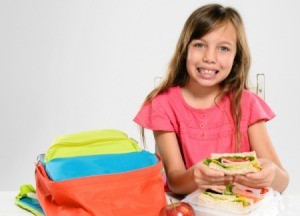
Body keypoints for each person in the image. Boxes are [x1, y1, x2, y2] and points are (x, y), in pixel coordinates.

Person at [133, 4, 289, 195]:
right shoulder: (163, 105)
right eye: (199, 45)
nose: (209, 57)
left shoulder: (247, 103)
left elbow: (282, 181)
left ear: (236, 57)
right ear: (185, 49)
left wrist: (272, 174)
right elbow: (176, 181)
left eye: (223, 48)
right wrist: (196, 176)